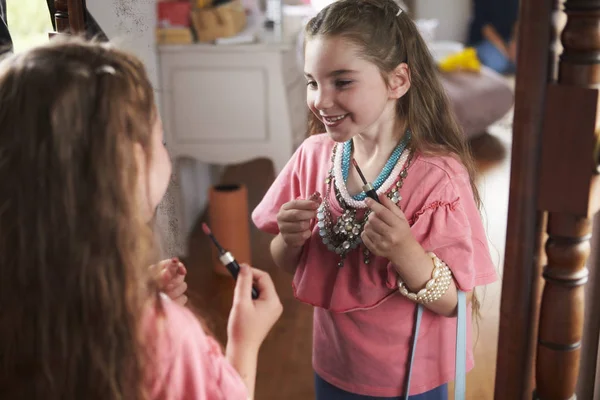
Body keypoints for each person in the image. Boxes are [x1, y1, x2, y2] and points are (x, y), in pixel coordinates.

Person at [0, 37, 282, 400]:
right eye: (161, 142)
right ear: (131, 166)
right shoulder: (163, 338)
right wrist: (246, 341)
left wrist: (125, 291)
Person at [252, 0, 497, 398]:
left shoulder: (438, 178)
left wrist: (406, 252)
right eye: (313, 81)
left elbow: (454, 302)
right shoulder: (314, 156)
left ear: (397, 81)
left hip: (408, 379)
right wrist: (288, 238)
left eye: (342, 82)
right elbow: (285, 260)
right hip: (333, 365)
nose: (321, 100)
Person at [467, 0, 520, 75]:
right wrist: (506, 51)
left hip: (508, 38)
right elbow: (485, 27)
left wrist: (514, 42)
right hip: (485, 40)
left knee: (524, 60)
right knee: (498, 64)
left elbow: (517, 20)